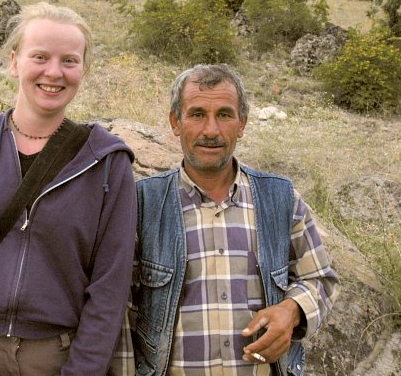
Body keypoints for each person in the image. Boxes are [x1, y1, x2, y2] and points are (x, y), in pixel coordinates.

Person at [0, 2, 137, 375]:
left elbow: (110, 291)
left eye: (69, 60)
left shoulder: (107, 163)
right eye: (40, 56)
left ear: (84, 70)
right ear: (14, 62)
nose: (54, 72)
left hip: (60, 359)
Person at [128, 64, 339, 376]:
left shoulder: (279, 199)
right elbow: (113, 308)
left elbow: (320, 279)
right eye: (197, 114)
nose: (211, 130)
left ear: (242, 123)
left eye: (225, 115)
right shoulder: (142, 204)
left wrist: (291, 310)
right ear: (176, 122)